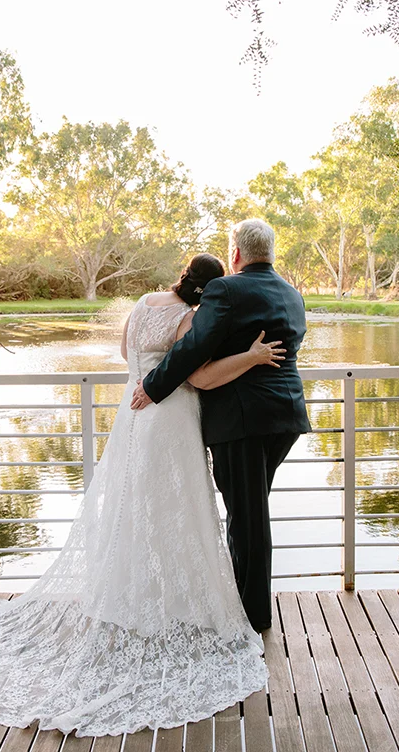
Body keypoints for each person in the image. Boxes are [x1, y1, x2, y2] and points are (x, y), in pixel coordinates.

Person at [0, 254, 285, 736]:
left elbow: (129, 355)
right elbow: (199, 376)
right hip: (170, 419)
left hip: (132, 416)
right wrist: (251, 357)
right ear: (211, 292)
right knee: (176, 509)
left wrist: (147, 373)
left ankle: (126, 594)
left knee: (131, 505)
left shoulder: (145, 302)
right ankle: (171, 600)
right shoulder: (190, 321)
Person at [132, 219, 310, 632]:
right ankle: (244, 604)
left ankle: (253, 618)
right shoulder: (293, 294)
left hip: (242, 420)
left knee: (247, 520)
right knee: (250, 513)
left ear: (236, 254)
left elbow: (193, 348)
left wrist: (153, 386)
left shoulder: (226, 289)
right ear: (271, 252)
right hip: (286, 417)